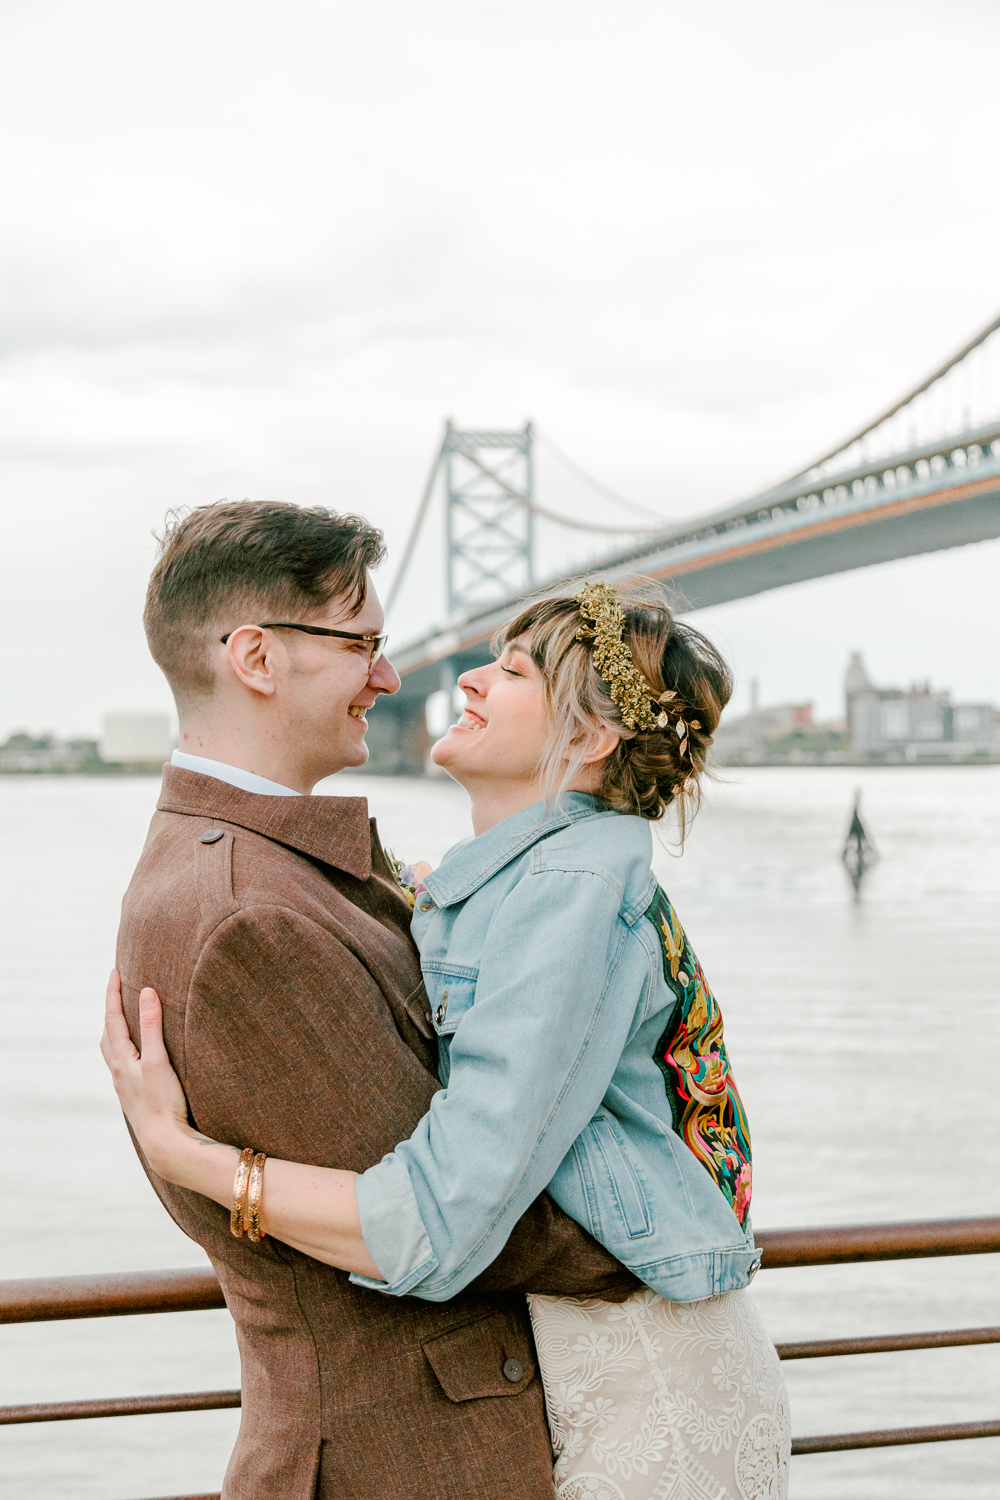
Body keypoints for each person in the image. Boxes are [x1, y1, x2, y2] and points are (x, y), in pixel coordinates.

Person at [105, 571, 791, 1499]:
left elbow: (438, 1222)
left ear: (589, 740)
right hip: (602, 1360)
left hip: (648, 1385)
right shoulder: (508, 887)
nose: (464, 681)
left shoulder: (568, 898)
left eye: (510, 672)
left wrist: (191, 1160)